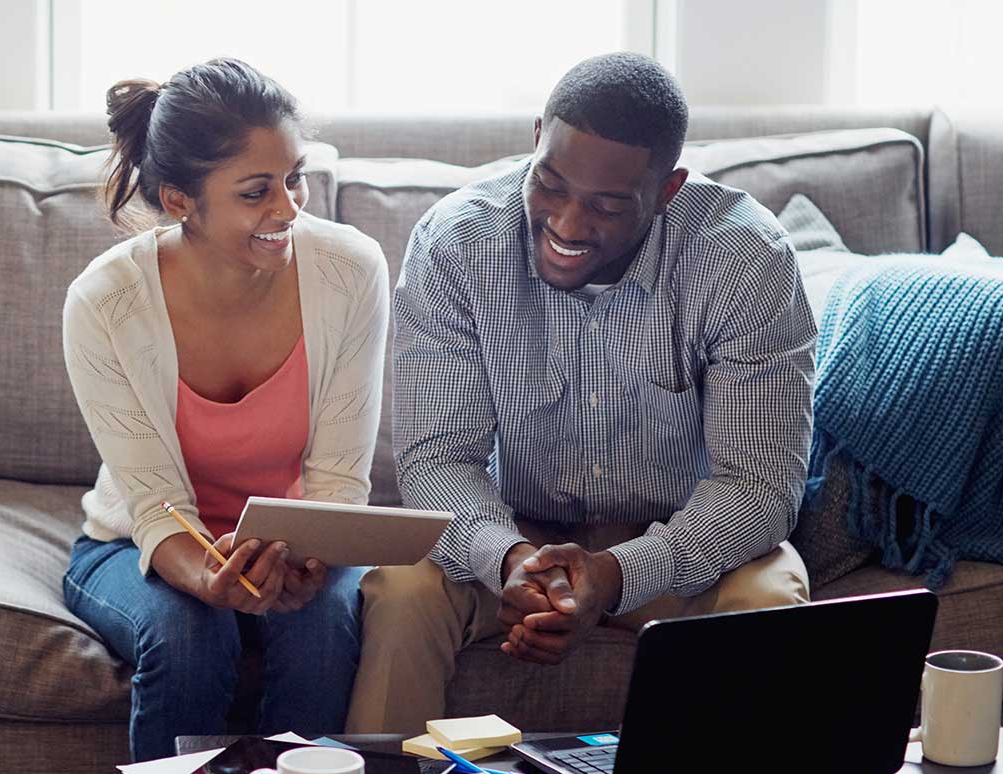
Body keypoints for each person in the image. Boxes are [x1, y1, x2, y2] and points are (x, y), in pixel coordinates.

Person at [346, 52, 817, 736]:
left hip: (675, 547)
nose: (567, 224)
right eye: (551, 185)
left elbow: (759, 488)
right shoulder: (457, 244)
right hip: (516, 536)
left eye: (606, 205)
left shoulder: (745, 261)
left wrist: (617, 574)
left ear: (667, 190)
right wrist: (507, 559)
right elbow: (436, 462)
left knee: (770, 597)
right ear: (537, 138)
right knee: (403, 587)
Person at [61, 57, 389, 774]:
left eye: (294, 180)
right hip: (143, 544)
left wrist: (309, 554)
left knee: (322, 626)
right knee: (186, 636)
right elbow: (153, 502)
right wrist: (213, 575)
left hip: (299, 535)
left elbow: (337, 477)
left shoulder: (351, 271)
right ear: (180, 202)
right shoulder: (106, 301)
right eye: (255, 192)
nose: (288, 209)